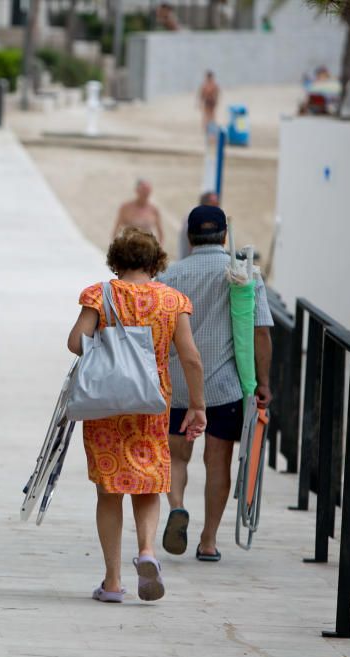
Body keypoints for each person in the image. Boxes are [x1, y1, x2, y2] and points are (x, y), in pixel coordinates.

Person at [67, 228, 206, 603]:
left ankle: (112, 582)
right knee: (148, 484)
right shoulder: (173, 301)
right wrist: (197, 405)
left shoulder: (100, 294)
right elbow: (191, 357)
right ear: (156, 261)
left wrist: (108, 339)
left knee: (109, 491)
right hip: (151, 402)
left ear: (116, 259)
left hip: (106, 403)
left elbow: (76, 342)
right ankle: (147, 552)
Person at [158, 205, 274, 562]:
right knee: (217, 461)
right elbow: (260, 333)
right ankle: (208, 541)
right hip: (224, 387)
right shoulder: (243, 274)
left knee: (177, 457)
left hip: (178, 383)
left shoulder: (169, 276)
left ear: (190, 237)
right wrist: (263, 382)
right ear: (224, 235)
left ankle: (177, 506)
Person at [113, 179, 164, 245]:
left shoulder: (154, 210)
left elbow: (161, 233)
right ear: (137, 190)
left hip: (146, 247)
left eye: (147, 191)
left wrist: (159, 250)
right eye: (143, 191)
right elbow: (117, 229)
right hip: (128, 246)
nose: (145, 193)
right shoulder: (126, 208)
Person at [179, 191, 219, 260]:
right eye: (214, 204)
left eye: (217, 203)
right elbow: (192, 244)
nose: (217, 206)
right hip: (190, 262)